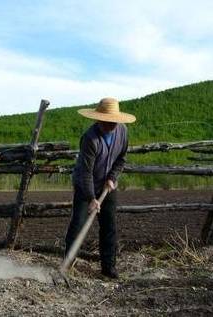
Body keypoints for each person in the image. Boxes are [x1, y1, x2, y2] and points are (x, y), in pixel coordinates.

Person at [65, 97, 136, 278]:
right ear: (98, 119)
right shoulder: (90, 138)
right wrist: (91, 198)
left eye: (113, 122)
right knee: (78, 224)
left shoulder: (123, 132)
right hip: (85, 185)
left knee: (109, 225)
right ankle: (67, 265)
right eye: (106, 122)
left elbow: (121, 159)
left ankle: (108, 267)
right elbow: (85, 172)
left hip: (107, 185)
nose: (110, 125)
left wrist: (112, 178)